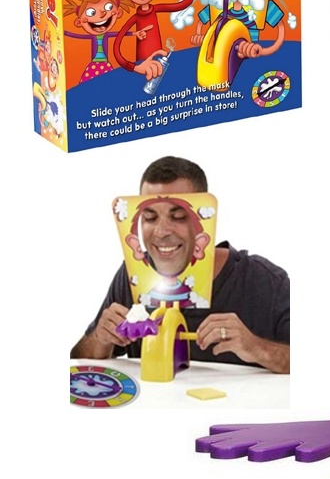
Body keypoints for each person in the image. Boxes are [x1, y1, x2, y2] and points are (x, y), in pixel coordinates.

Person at [71, 156, 290, 373]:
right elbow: (77, 361)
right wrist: (100, 338)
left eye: (178, 217)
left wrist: (256, 347)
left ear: (204, 223)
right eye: (150, 217)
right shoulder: (132, 275)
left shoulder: (264, 281)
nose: (161, 232)